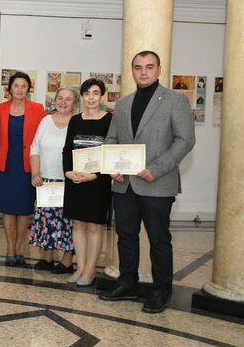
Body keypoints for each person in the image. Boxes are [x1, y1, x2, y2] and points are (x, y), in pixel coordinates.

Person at [99, 51, 195, 314]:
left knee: (159, 239)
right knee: (125, 236)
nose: (143, 72)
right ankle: (127, 282)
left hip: (157, 182)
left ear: (159, 69)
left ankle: (161, 290)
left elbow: (185, 140)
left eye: (149, 67)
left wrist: (156, 168)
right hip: (123, 184)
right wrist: (113, 167)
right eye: (138, 67)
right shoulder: (123, 104)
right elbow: (111, 139)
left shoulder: (175, 100)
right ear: (132, 71)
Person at [62, 79, 112, 286]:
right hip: (76, 180)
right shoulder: (75, 120)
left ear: (102, 97)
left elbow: (111, 151)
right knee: (78, 224)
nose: (91, 97)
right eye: (87, 93)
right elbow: (67, 150)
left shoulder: (110, 120)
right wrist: (68, 172)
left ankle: (90, 270)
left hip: (97, 182)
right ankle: (80, 267)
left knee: (94, 227)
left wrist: (96, 175)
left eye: (95, 93)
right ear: (82, 97)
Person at [0, 72, 46, 266]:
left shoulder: (38, 109)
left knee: (25, 209)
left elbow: (42, 138)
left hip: (28, 164)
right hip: (6, 164)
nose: (19, 89)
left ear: (28, 89)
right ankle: (10, 249)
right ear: (9, 88)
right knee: (8, 209)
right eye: (16, 86)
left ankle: (19, 248)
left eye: (23, 86)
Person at [29, 87, 76, 274]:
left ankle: (67, 261)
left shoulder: (78, 122)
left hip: (69, 182)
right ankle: (47, 258)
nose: (63, 102)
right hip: (45, 181)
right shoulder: (45, 121)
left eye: (68, 99)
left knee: (67, 223)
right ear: (54, 100)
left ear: (75, 103)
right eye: (60, 98)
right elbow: (35, 149)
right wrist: (35, 174)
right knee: (46, 221)